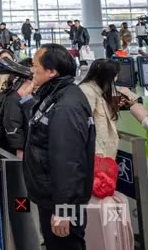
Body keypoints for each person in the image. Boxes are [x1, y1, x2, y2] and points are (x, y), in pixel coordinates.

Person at [17, 44, 95, 250]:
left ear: (51, 71)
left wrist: (64, 210)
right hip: (52, 196)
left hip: (62, 202)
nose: (31, 70)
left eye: (35, 66)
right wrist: (26, 100)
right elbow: (42, 127)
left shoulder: (66, 106)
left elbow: (68, 162)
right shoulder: (55, 94)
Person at [78, 59, 119, 159]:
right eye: (114, 75)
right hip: (96, 152)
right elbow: (83, 122)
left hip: (102, 151)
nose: (116, 78)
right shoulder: (87, 91)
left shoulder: (99, 91)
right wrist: (95, 151)